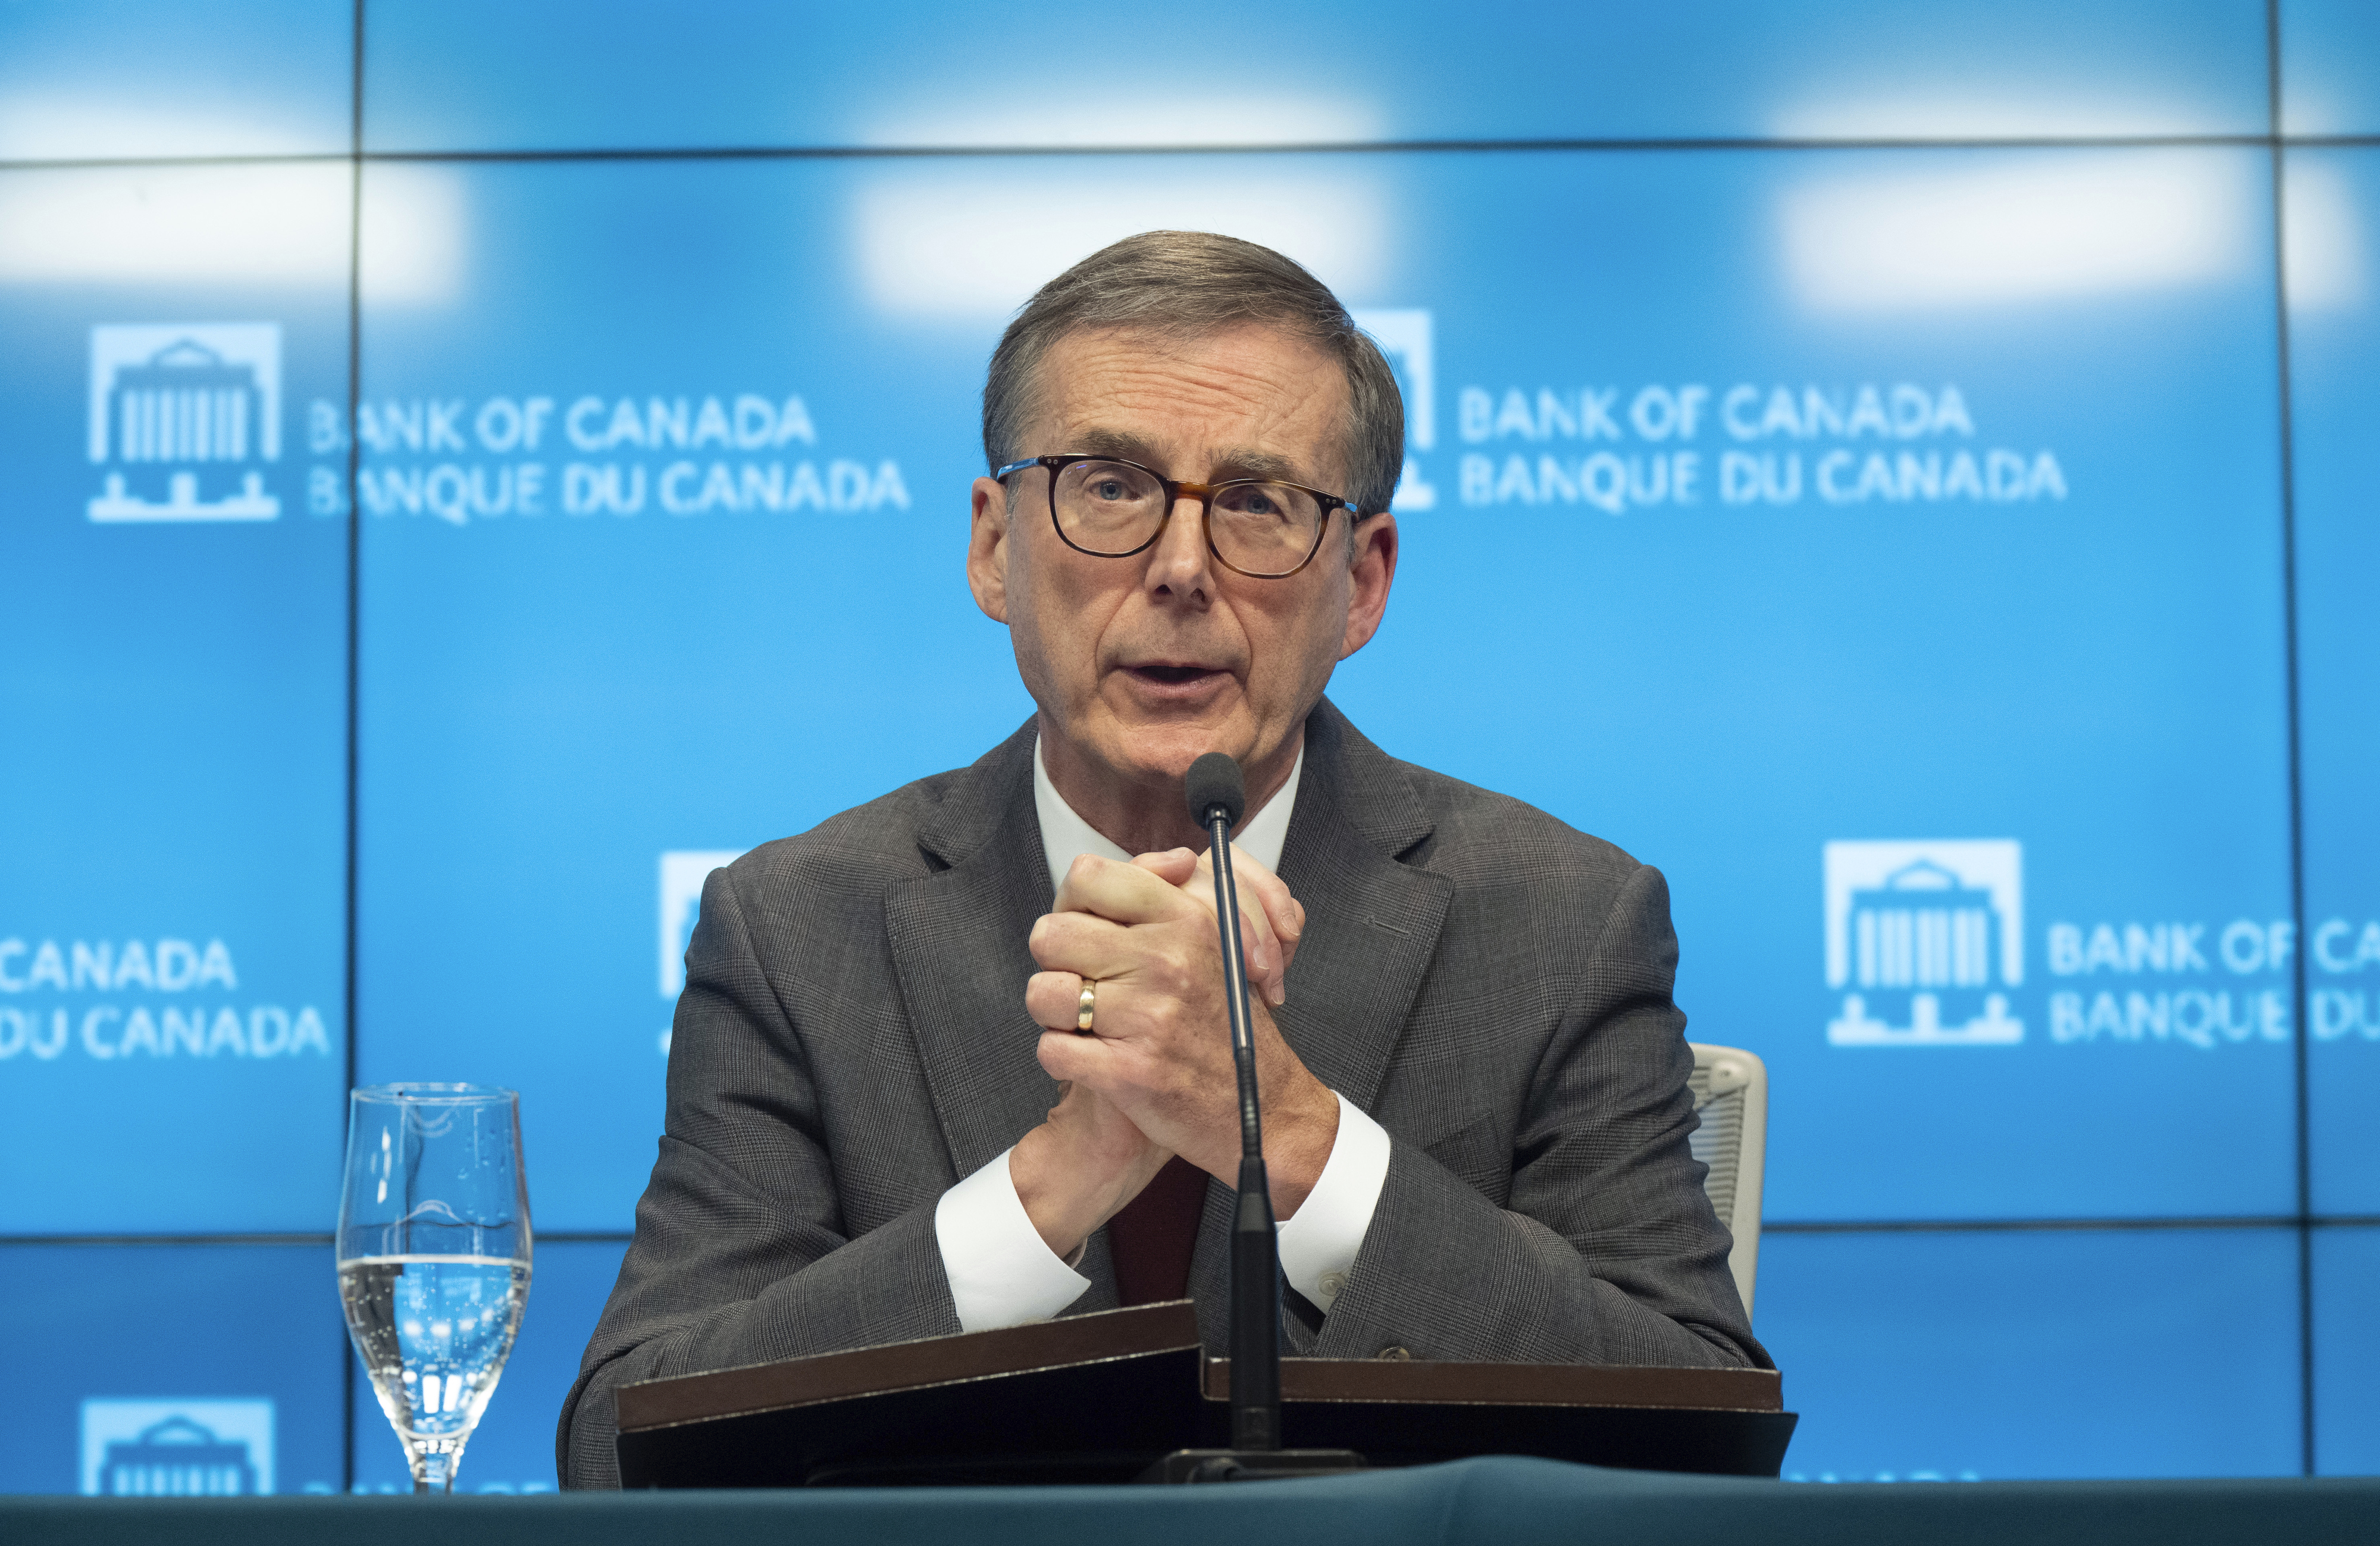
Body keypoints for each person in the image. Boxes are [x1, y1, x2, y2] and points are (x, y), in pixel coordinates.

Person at [558, 231, 1766, 1488]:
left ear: (1360, 581)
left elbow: (1701, 1440)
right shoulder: (799, 928)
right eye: (1109, 486)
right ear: (991, 545)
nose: (1181, 570)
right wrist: (1050, 1182)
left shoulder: (1557, 918)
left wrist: (1288, 1136)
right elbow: (620, 1450)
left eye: (1256, 502)